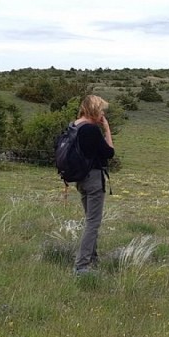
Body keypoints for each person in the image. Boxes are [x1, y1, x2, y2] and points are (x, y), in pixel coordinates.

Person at [73, 95, 115, 275]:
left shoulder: (74, 126)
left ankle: (93, 258)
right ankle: (81, 266)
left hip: (80, 179)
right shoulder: (91, 130)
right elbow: (109, 153)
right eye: (101, 109)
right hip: (94, 179)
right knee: (93, 222)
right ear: (94, 110)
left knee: (91, 219)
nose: (103, 113)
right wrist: (106, 129)